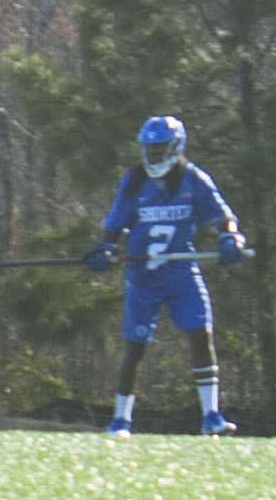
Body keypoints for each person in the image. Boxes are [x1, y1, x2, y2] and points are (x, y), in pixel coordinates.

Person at [86, 114, 244, 436]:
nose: (154, 155)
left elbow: (223, 217)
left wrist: (230, 237)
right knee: (136, 347)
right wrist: (105, 249)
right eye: (150, 149)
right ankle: (120, 419)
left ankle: (211, 416)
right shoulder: (133, 181)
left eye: (160, 149)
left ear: (175, 147)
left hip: (182, 274)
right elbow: (115, 225)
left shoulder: (193, 180)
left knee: (201, 336)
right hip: (143, 277)